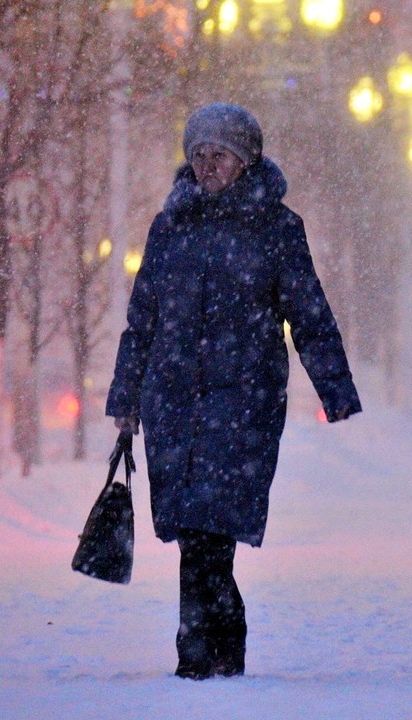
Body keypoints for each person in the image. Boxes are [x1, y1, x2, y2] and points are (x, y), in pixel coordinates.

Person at [105, 103, 362, 680]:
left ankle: (195, 654)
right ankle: (223, 644)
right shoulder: (170, 226)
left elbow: (308, 313)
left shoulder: (276, 227)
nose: (206, 165)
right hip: (172, 401)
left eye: (217, 154)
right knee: (197, 534)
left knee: (209, 533)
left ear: (245, 160)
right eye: (197, 154)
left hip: (242, 403)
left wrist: (335, 390)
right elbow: (142, 317)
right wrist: (126, 397)